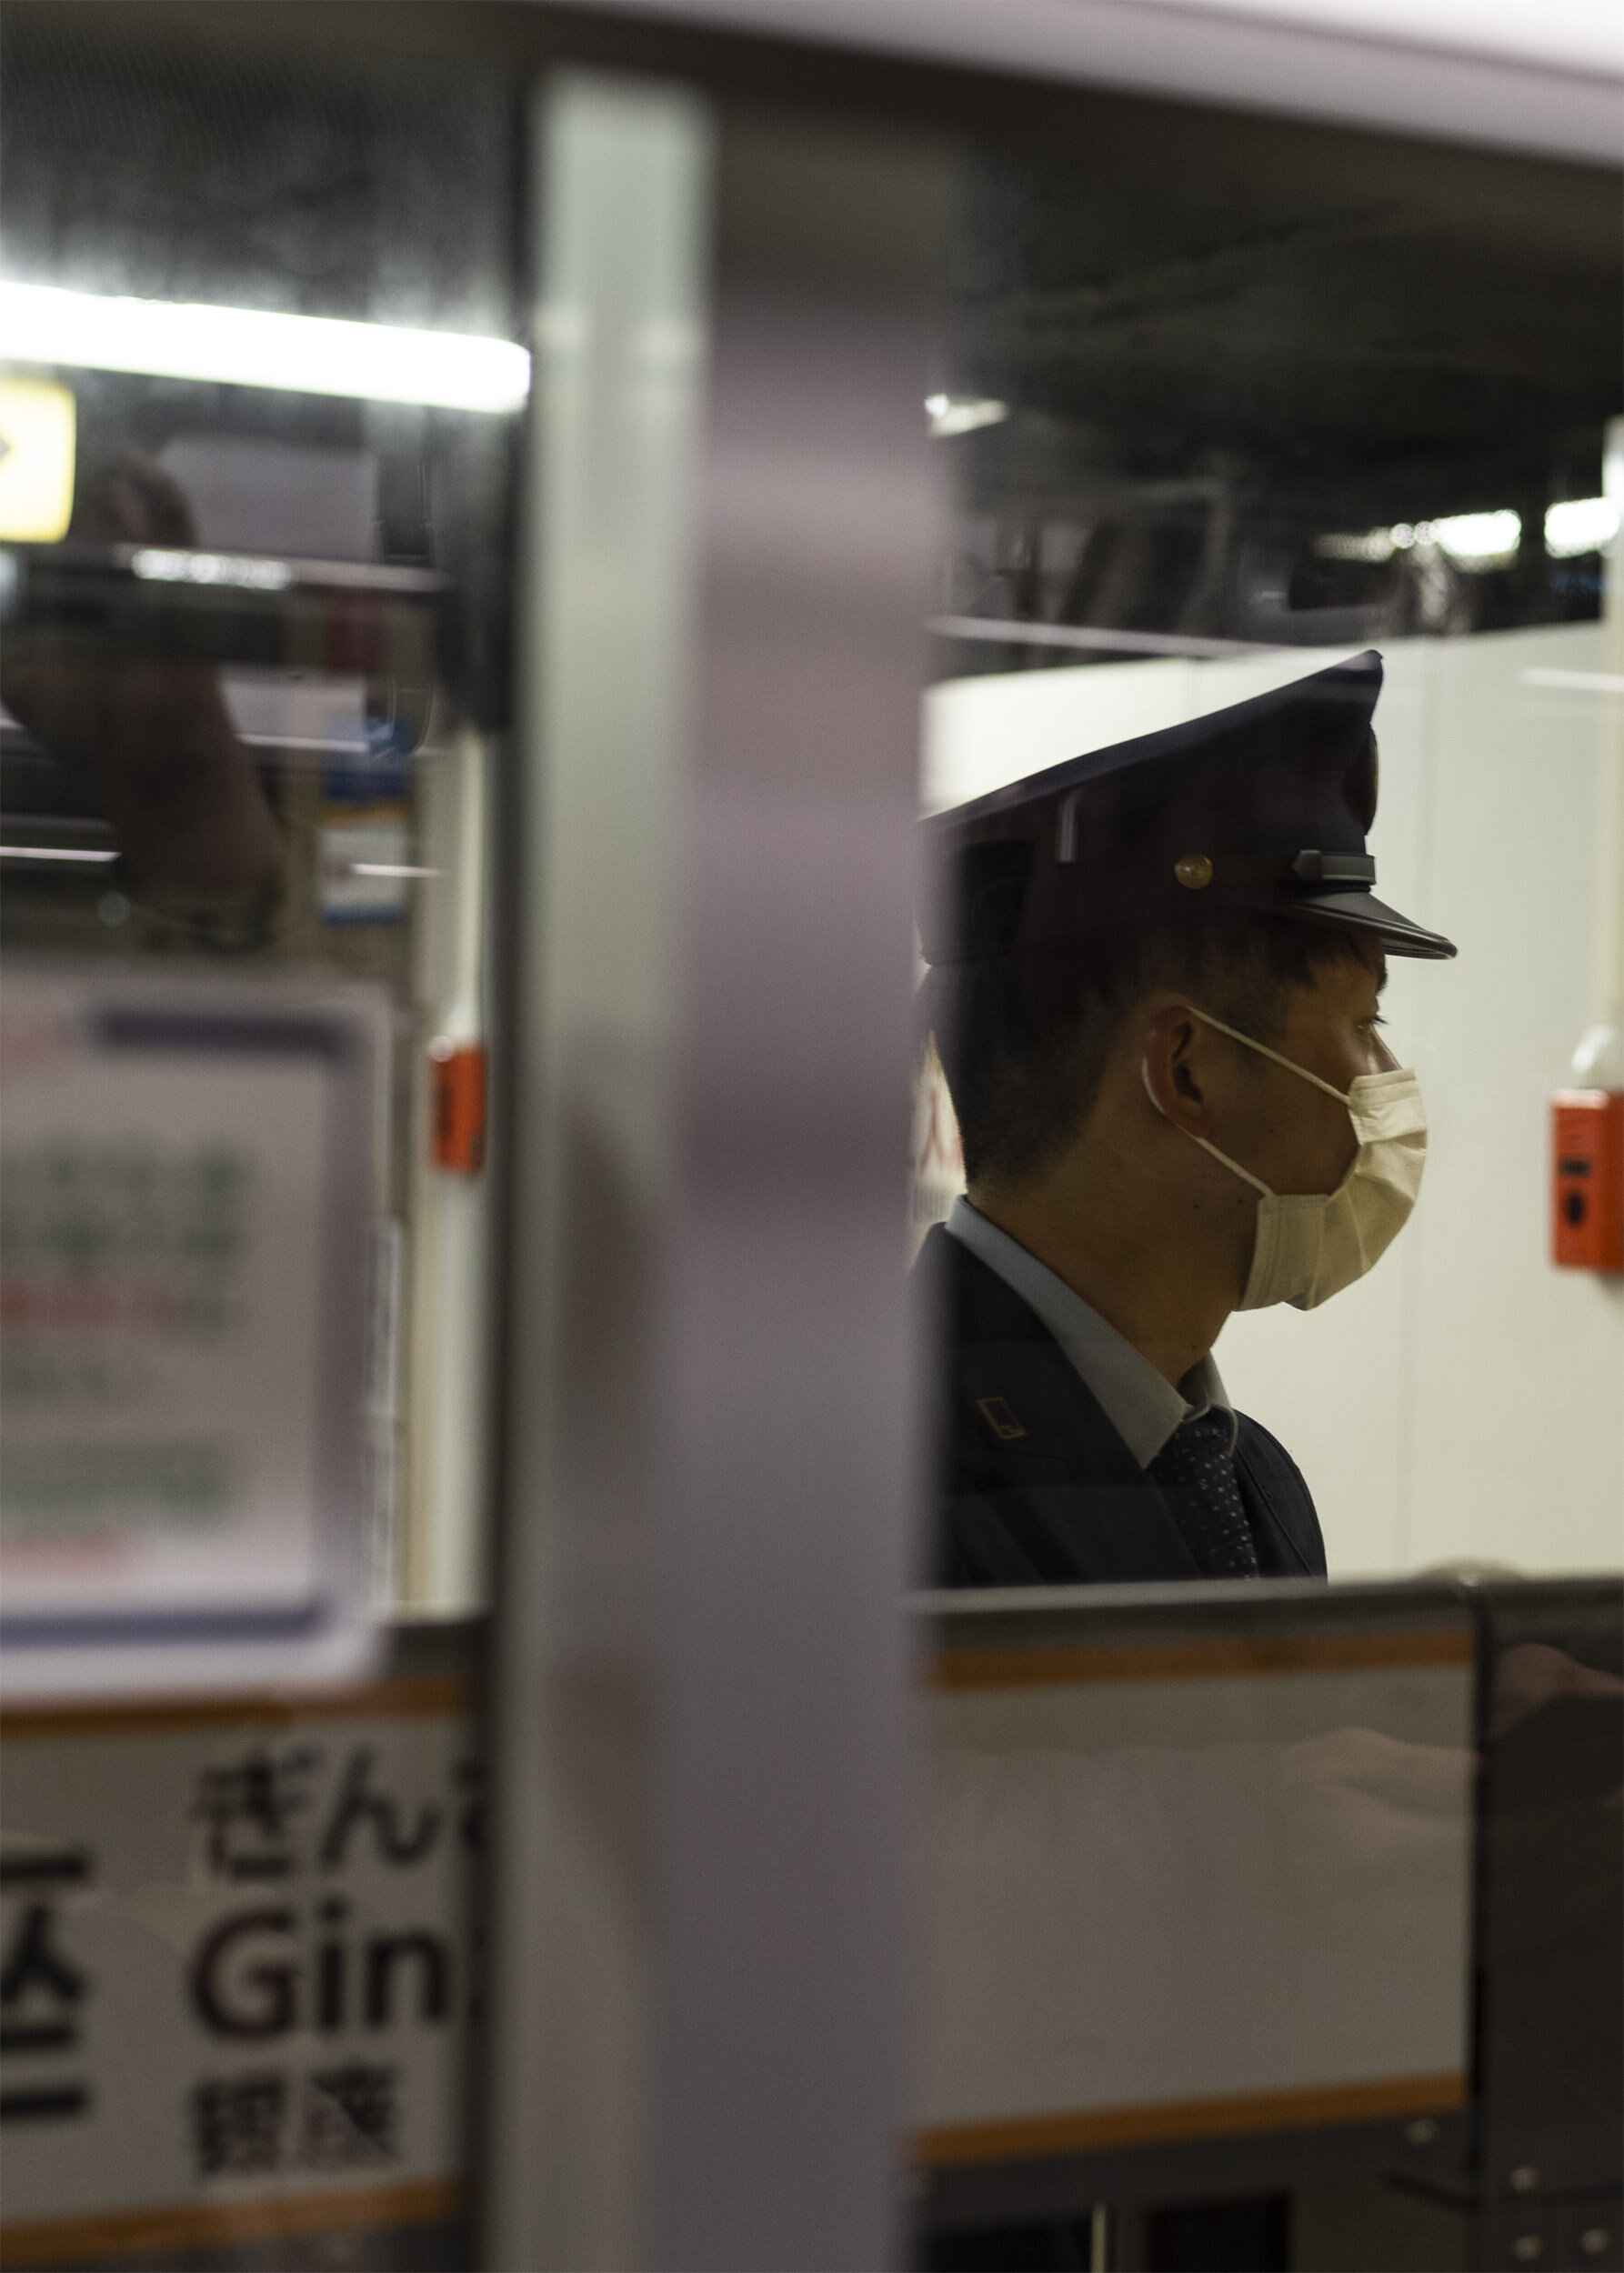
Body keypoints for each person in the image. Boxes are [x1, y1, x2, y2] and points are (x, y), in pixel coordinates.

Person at [915, 649, 1454, 1588]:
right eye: (1363, 1023)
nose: (1387, 1076)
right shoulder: (865, 1476)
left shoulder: (1250, 1481)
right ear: (1186, 1070)